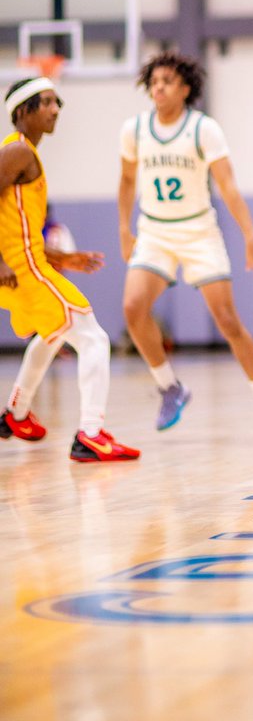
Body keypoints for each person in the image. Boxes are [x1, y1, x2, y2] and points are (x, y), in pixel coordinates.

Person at [118, 52, 253, 437]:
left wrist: (250, 237)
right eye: (154, 80)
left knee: (228, 320)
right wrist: (124, 231)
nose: (158, 86)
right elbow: (127, 182)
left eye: (167, 80)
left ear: (184, 88)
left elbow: (227, 186)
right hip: (155, 231)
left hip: (199, 232)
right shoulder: (135, 129)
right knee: (133, 309)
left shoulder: (203, 129)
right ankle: (170, 388)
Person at [0, 76, 139, 462]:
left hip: (28, 264)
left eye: (57, 102)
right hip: (23, 271)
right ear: (23, 111)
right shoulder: (18, 152)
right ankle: (91, 434)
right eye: (47, 102)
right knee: (94, 339)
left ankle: (16, 414)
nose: (56, 109)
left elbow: (18, 230)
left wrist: (65, 259)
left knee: (51, 336)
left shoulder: (24, 153)